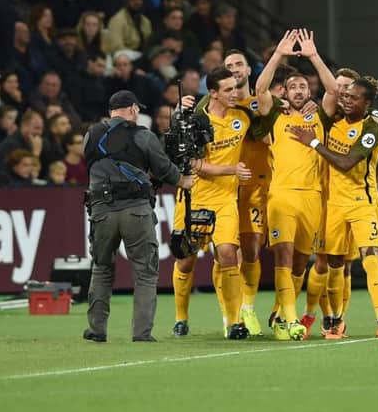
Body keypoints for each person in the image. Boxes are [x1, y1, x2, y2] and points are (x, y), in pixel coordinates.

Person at [288, 74, 378, 339]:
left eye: (353, 97)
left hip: (361, 202)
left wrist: (313, 142)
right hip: (333, 204)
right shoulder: (332, 121)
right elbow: (324, 96)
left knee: (371, 258)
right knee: (334, 265)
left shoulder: (371, 130)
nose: (346, 101)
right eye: (345, 96)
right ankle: (335, 320)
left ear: (367, 103)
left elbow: (347, 163)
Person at [82, 89, 193, 343]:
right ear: (132, 109)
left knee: (101, 269)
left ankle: (97, 330)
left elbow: (92, 164)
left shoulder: (90, 135)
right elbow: (164, 169)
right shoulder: (143, 135)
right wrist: (182, 180)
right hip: (136, 210)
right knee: (144, 272)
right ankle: (141, 333)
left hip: (101, 210)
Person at [170, 66, 265, 340]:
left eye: (235, 88)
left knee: (226, 253)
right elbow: (194, 164)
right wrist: (233, 169)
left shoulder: (242, 117)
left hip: (225, 201)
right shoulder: (196, 122)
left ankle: (234, 322)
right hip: (194, 199)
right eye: (228, 90)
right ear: (212, 93)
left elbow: (267, 121)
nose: (234, 93)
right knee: (186, 261)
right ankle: (181, 317)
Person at [255, 29, 336, 340]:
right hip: (282, 197)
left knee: (301, 264)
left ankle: (280, 311)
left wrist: (313, 56)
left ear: (309, 91)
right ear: (285, 92)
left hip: (312, 197)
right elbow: (260, 88)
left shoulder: (320, 116)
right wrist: (279, 54)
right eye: (293, 86)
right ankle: (289, 320)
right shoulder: (276, 114)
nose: (299, 90)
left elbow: (332, 91)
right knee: (284, 257)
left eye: (303, 86)